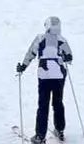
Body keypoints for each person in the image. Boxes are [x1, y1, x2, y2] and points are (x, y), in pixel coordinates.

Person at [15, 16, 72, 144]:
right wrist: (63, 58)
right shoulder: (61, 40)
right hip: (59, 76)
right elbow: (69, 57)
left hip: (44, 76)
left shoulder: (40, 38)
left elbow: (31, 53)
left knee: (43, 105)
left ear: (47, 26)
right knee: (58, 102)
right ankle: (60, 130)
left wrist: (23, 66)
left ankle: (40, 136)